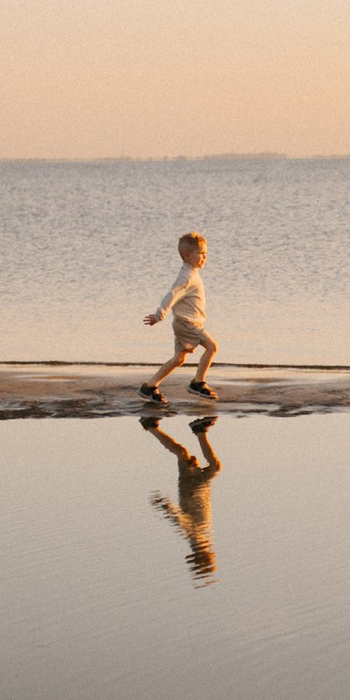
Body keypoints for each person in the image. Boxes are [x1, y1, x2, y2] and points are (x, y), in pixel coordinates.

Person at [142, 415, 224, 580]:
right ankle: (154, 427)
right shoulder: (200, 538)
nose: (213, 554)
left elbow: (180, 520)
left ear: (204, 555)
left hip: (193, 489)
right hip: (199, 488)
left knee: (211, 465)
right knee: (182, 453)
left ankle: (198, 431)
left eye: (210, 557)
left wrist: (166, 507)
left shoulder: (196, 538)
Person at [142, 231, 219, 402]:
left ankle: (150, 386)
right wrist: (159, 315)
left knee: (179, 359)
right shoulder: (187, 277)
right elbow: (172, 295)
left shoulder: (190, 272)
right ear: (187, 255)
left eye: (206, 253)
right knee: (212, 347)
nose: (204, 257)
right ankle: (198, 383)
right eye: (200, 254)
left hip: (183, 322)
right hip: (188, 323)